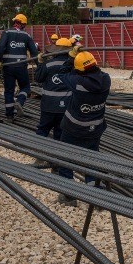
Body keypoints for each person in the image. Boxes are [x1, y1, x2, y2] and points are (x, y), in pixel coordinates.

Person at [54, 51, 110, 206]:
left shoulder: (77, 81)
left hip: (74, 128)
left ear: (79, 70)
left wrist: (71, 58)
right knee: (92, 157)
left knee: (66, 157)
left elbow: (62, 73)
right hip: (95, 128)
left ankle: (69, 194)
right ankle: (94, 190)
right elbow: (95, 72)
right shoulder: (106, 79)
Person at [32, 37, 75, 166]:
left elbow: (38, 79)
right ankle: (57, 162)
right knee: (60, 133)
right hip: (65, 106)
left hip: (48, 105)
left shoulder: (48, 64)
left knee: (43, 130)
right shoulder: (72, 66)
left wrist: (40, 63)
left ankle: (39, 156)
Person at [0, 13, 38, 119]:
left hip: (8, 66)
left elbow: (0, 47)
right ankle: (19, 101)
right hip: (21, 67)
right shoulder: (27, 36)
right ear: (23, 24)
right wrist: (39, 65)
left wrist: (0, 60)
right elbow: (34, 53)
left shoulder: (7, 32)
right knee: (26, 87)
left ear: (15, 22)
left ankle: (9, 114)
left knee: (9, 90)